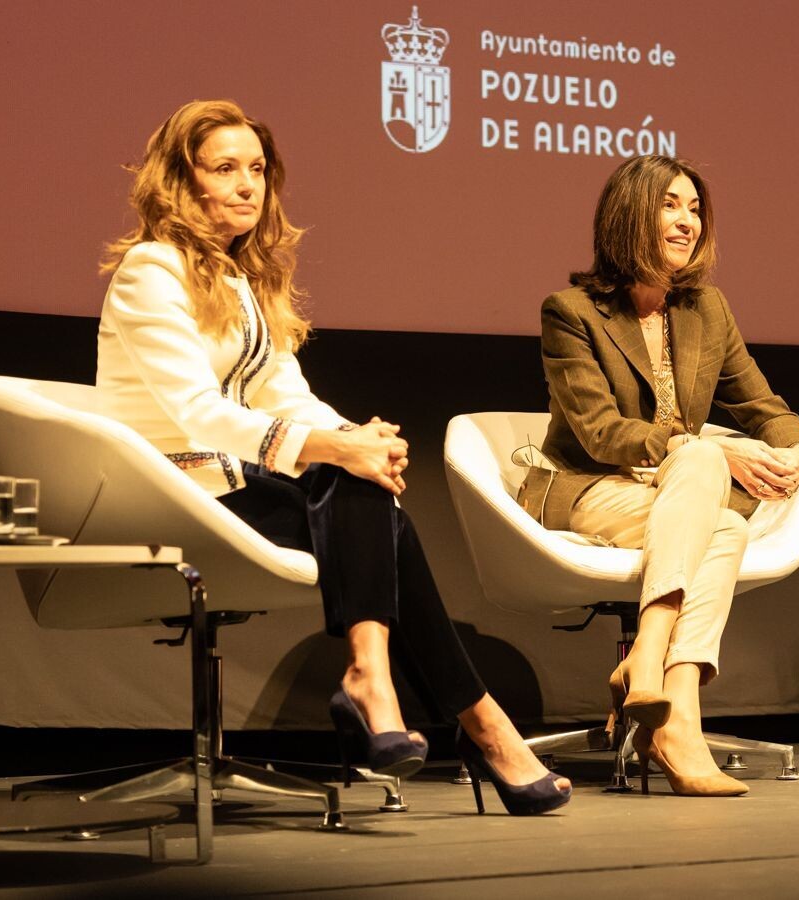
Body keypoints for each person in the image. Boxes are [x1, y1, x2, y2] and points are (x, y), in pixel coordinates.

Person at [96, 99, 569, 814]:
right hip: (162, 495)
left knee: (359, 482)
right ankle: (475, 723)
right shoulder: (150, 272)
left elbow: (291, 398)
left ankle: (384, 686)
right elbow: (196, 412)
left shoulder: (242, 280)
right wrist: (335, 448)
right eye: (225, 168)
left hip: (232, 493)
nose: (248, 184)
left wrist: (361, 439)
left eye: (257, 169)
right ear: (179, 181)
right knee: (362, 495)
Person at [524, 155, 799, 796]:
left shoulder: (706, 309)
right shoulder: (570, 311)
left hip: (672, 500)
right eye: (669, 206)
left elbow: (764, 406)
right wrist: (701, 450)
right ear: (629, 215)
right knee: (709, 466)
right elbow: (600, 433)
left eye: (694, 208)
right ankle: (658, 674)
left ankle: (669, 703)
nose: (687, 222)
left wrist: (797, 452)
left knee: (724, 526)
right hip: (587, 489)